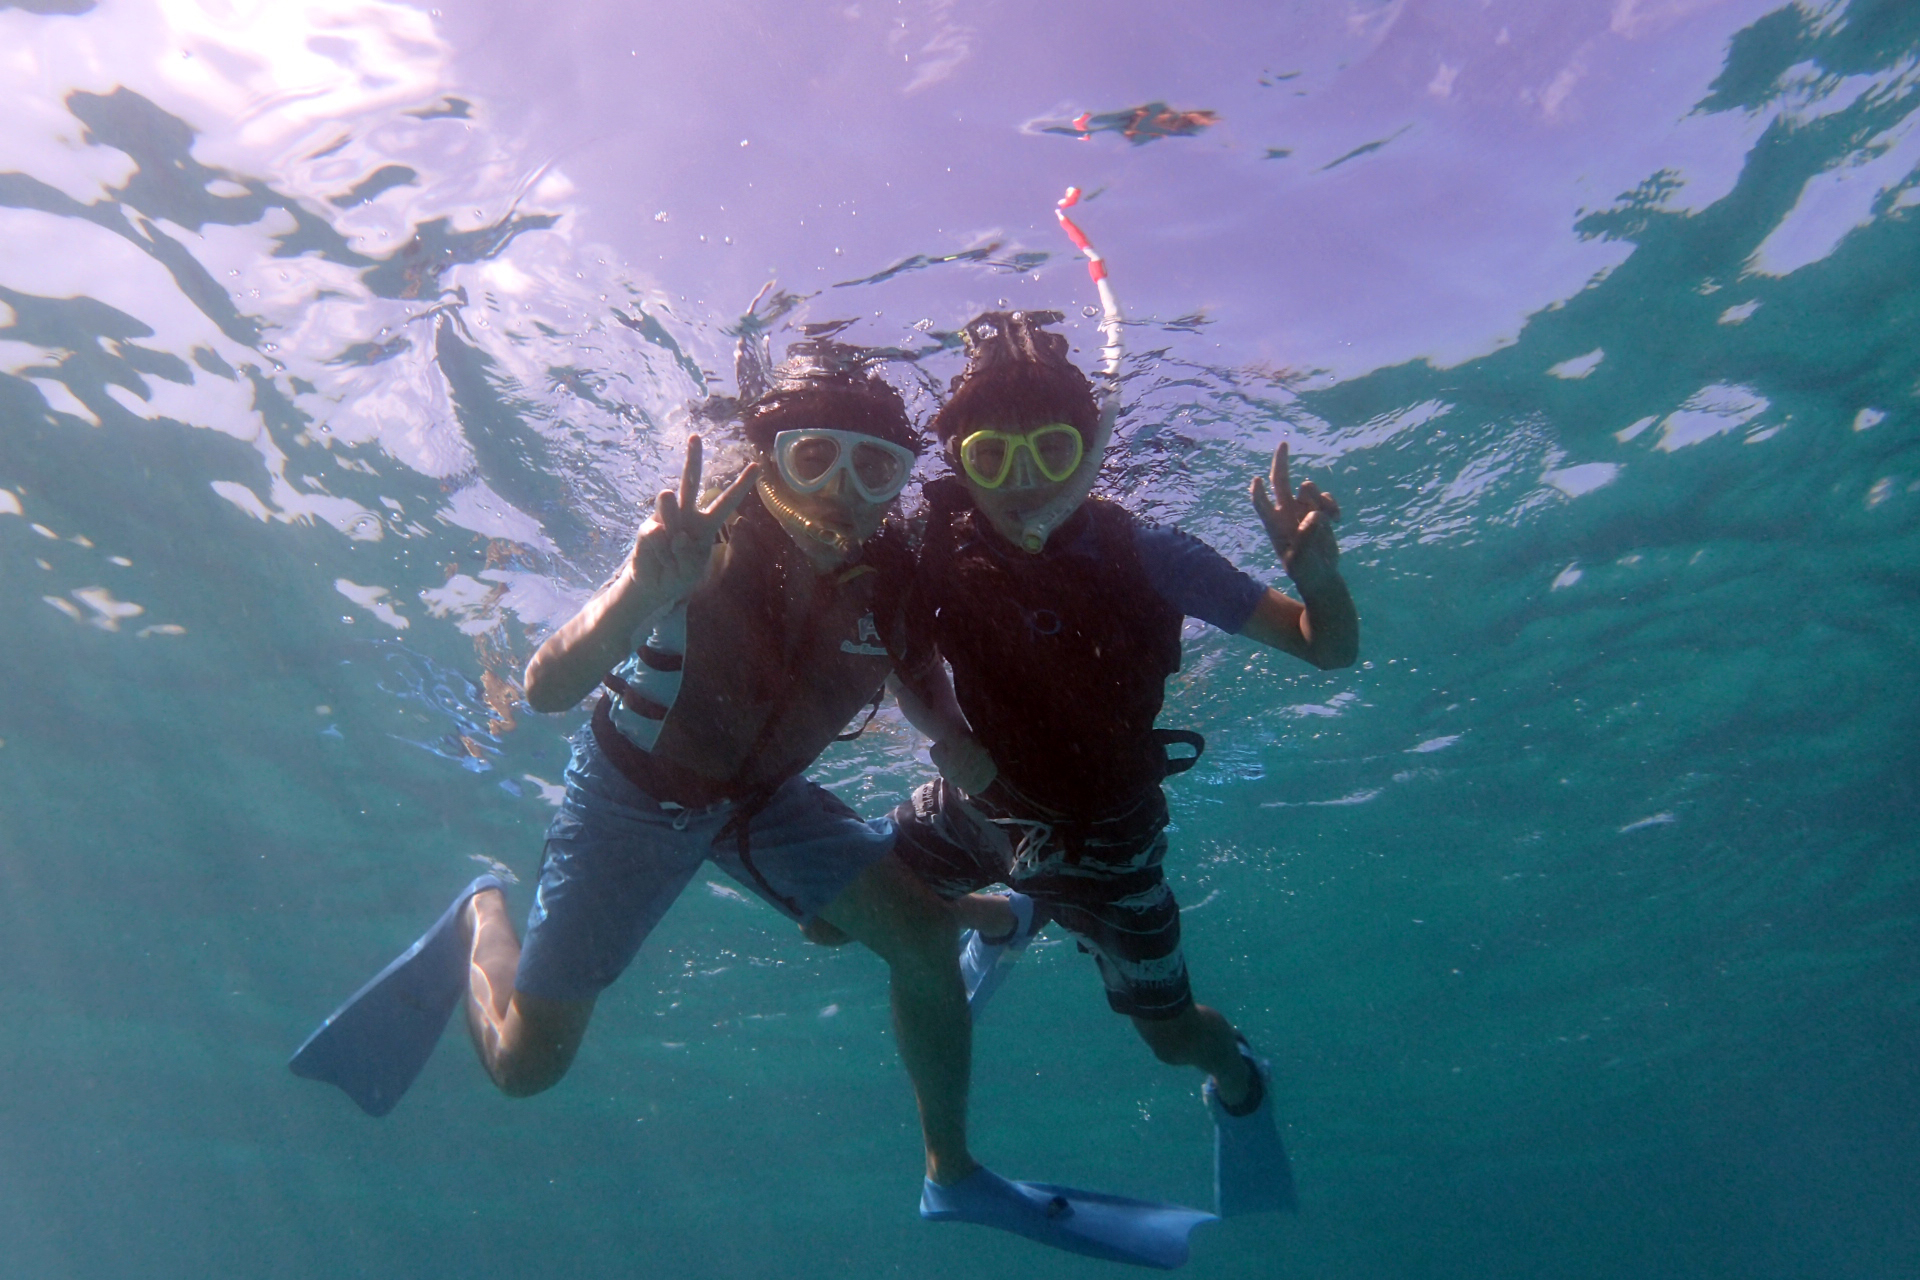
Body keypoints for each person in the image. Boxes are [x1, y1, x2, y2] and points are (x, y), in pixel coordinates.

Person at [292, 343, 981, 1188]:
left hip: (764, 802)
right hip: (632, 796)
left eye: (873, 468)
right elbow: (546, 687)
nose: (841, 490)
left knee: (924, 937)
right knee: (525, 1068)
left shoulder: (897, 582)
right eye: (813, 457)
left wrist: (966, 753)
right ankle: (480, 910)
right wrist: (643, 591)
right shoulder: (701, 548)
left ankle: (951, 1170)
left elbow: (928, 695)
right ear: (769, 464)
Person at [887, 309, 1360, 1220]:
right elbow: (903, 658)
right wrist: (946, 735)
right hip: (987, 798)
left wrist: (1320, 581)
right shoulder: (930, 550)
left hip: (1111, 832)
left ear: (1091, 450)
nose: (1025, 483)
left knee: (1170, 1039)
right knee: (845, 914)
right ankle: (1007, 911)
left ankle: (1242, 1076)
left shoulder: (1147, 554)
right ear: (956, 460)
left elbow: (1326, 649)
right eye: (992, 457)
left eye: (1053, 451)